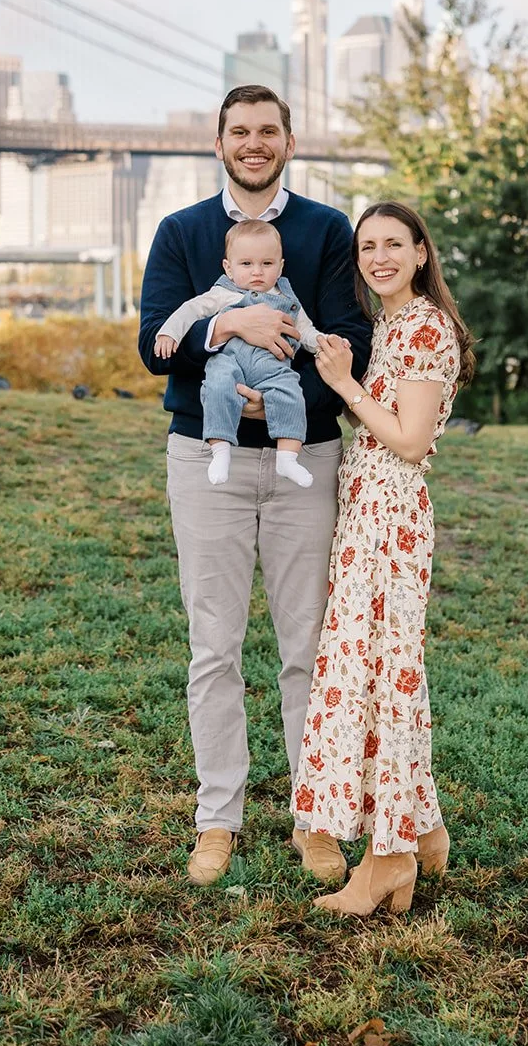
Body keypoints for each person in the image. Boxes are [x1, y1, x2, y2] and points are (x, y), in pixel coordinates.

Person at [138, 85, 373, 887]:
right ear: (218, 143)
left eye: (267, 130)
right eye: (239, 131)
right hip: (206, 465)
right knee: (214, 648)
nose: (253, 142)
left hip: (303, 457)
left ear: (289, 141)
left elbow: (352, 341)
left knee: (307, 648)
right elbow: (153, 345)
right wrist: (227, 328)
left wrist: (289, 401)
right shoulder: (180, 232)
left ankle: (317, 817)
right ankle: (217, 819)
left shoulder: (326, 231)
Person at [290, 201, 475, 918]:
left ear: (422, 252)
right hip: (366, 516)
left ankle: (386, 860)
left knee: (381, 681)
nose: (379, 257)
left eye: (394, 243)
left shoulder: (425, 326)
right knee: (379, 671)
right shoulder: (388, 327)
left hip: (392, 519)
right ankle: (423, 832)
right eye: (368, 246)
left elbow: (407, 438)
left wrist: (343, 386)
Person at [153, 218, 322, 488]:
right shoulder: (223, 293)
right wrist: (169, 332)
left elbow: (305, 330)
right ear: (228, 268)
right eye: (247, 264)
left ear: (280, 267)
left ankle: (288, 457)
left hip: (274, 364)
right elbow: (191, 310)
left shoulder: (288, 299)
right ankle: (220, 451)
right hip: (228, 360)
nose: (257, 272)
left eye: (267, 264)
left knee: (291, 392)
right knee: (217, 388)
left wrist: (324, 342)